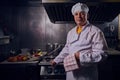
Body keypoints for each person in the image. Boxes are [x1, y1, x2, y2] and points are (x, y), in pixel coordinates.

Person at [50, 2, 108, 80]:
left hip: (87, 75)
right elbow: (67, 49)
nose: (79, 17)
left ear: (87, 15)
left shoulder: (96, 32)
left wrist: (80, 56)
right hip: (71, 75)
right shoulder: (71, 32)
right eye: (76, 14)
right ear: (74, 16)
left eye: (82, 14)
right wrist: (56, 60)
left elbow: (102, 54)